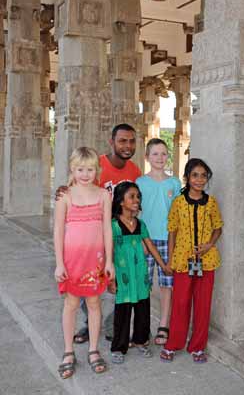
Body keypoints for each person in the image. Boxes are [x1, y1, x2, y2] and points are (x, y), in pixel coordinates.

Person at [56, 123, 141, 344]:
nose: (127, 145)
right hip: (91, 236)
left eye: (132, 141)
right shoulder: (96, 164)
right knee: (86, 284)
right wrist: (62, 189)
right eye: (122, 140)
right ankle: (88, 324)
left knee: (117, 282)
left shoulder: (135, 171)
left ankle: (111, 324)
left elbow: (134, 200)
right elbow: (76, 184)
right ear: (111, 142)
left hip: (119, 234)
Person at [54, 147, 114, 379]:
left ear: (97, 170)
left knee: (94, 303)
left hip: (95, 260)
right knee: (70, 303)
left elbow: (107, 229)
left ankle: (93, 349)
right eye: (80, 169)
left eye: (90, 169)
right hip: (72, 261)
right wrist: (60, 264)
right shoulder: (65, 196)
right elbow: (58, 231)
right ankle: (68, 351)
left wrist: (109, 261)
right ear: (72, 169)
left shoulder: (103, 195)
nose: (85, 174)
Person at [160, 158, 223, 364]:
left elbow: (218, 227)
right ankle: (173, 344)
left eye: (203, 175)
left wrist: (209, 245)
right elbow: (172, 231)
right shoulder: (178, 202)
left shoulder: (211, 202)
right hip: (182, 261)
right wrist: (169, 260)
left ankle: (197, 346)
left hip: (207, 261)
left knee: (203, 305)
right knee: (180, 303)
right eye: (195, 175)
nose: (199, 179)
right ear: (187, 177)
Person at [110, 182, 172, 363]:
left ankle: (140, 341)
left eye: (138, 197)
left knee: (143, 309)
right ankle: (118, 347)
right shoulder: (113, 225)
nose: (136, 200)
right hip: (123, 276)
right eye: (132, 196)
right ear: (121, 201)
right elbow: (110, 251)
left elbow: (150, 246)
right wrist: (111, 278)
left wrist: (163, 265)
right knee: (123, 311)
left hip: (140, 275)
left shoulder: (140, 224)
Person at [136, 138, 181, 345]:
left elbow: (177, 215)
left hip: (168, 240)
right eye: (155, 154)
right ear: (147, 157)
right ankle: (141, 326)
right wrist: (140, 240)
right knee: (143, 284)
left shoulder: (174, 183)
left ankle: (164, 324)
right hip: (146, 240)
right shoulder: (140, 182)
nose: (160, 158)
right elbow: (136, 213)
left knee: (166, 285)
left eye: (164, 153)